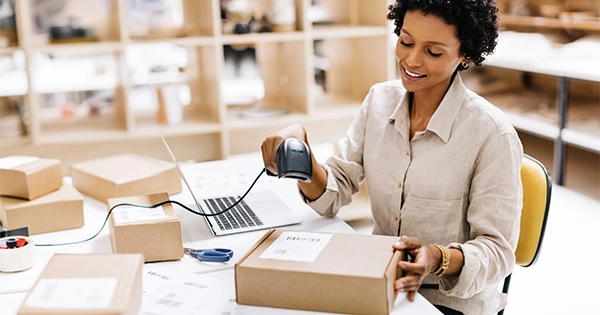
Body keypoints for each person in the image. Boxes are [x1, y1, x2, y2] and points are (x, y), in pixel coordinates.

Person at [261, 1, 523, 314]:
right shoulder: (379, 101)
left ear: (465, 54)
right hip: (379, 283)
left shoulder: (492, 135)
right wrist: (301, 150)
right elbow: (333, 194)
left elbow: (498, 253)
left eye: (433, 52)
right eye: (406, 42)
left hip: (447, 303)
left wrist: (436, 258)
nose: (411, 60)